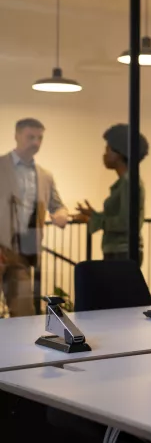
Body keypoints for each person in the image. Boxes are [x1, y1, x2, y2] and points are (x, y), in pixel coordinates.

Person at [0, 118, 69, 317]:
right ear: (16, 136)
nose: (36, 143)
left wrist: (61, 214)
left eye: (39, 138)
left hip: (23, 253)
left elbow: (58, 205)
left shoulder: (45, 176)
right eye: (30, 137)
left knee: (24, 314)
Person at [73, 125, 147, 263]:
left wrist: (93, 220)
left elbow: (126, 222)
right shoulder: (125, 182)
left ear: (119, 154)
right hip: (118, 250)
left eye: (107, 150)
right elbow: (118, 216)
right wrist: (94, 215)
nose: (104, 155)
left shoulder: (129, 183)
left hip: (123, 252)